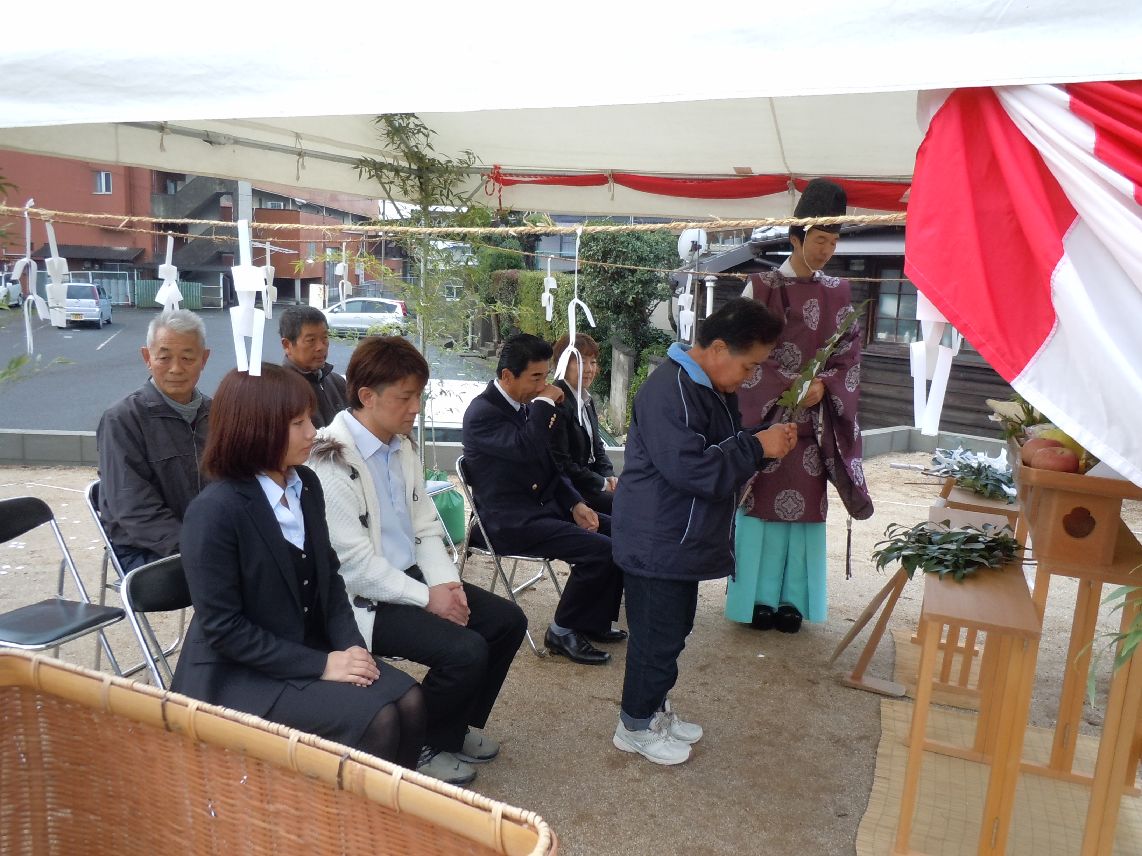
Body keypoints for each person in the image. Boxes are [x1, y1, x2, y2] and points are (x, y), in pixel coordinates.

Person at [172, 364, 425, 767]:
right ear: (255, 428)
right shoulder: (215, 511)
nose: (313, 432)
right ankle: (342, 808)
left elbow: (330, 579)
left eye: (310, 418)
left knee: (410, 701)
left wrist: (351, 647)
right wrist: (323, 664)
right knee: (378, 718)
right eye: (297, 423)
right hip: (236, 673)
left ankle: (394, 805)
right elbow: (224, 629)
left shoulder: (305, 484)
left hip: (305, 646)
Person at [309, 336, 527, 786]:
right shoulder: (330, 459)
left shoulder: (399, 444)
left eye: (418, 396)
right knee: (465, 650)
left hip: (407, 578)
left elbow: (425, 525)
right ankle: (419, 744)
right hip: (362, 600)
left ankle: (451, 728)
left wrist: (448, 585)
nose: (416, 408)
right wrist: (430, 599)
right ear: (367, 396)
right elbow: (357, 569)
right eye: (405, 397)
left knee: (506, 621)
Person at [611, 298, 797, 765]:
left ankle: (654, 709)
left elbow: (722, 448)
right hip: (657, 538)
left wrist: (760, 441)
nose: (749, 378)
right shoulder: (669, 390)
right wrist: (756, 448)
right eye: (748, 366)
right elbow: (694, 470)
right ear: (717, 349)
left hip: (680, 538)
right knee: (655, 638)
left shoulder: (709, 387)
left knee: (672, 633)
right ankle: (634, 726)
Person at [726, 178, 875, 635]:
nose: (827, 250)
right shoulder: (762, 287)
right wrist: (790, 384)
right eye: (819, 240)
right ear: (795, 237)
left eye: (833, 242)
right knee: (759, 508)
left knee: (806, 512)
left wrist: (825, 386)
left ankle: (793, 601)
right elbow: (740, 349)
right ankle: (754, 600)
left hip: (814, 424)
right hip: (766, 419)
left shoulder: (840, 292)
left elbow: (849, 356)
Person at [462, 333, 624, 666]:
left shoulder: (525, 406)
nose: (543, 385)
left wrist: (576, 504)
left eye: (545, 376)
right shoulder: (483, 412)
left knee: (621, 533)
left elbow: (550, 465)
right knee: (601, 551)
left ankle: (592, 621)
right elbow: (526, 448)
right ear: (507, 376)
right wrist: (544, 403)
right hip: (507, 521)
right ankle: (562, 630)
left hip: (541, 509)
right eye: (535, 377)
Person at [96, 309, 211, 572]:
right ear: (147, 358)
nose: (176, 369)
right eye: (164, 357)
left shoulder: (216, 414)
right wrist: (195, 548)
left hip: (205, 541)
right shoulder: (122, 419)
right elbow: (133, 507)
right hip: (146, 551)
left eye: (187, 358)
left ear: (204, 359)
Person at [549, 333, 617, 514]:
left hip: (592, 480)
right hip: (572, 489)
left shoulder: (586, 399)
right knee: (627, 504)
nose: (589, 369)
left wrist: (609, 475)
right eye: (581, 362)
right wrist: (602, 483)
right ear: (563, 364)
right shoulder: (557, 401)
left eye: (593, 362)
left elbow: (597, 447)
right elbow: (563, 463)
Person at [279, 305, 348, 429]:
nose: (321, 347)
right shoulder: (280, 392)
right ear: (287, 345)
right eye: (311, 340)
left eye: (325, 338)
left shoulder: (338, 382)